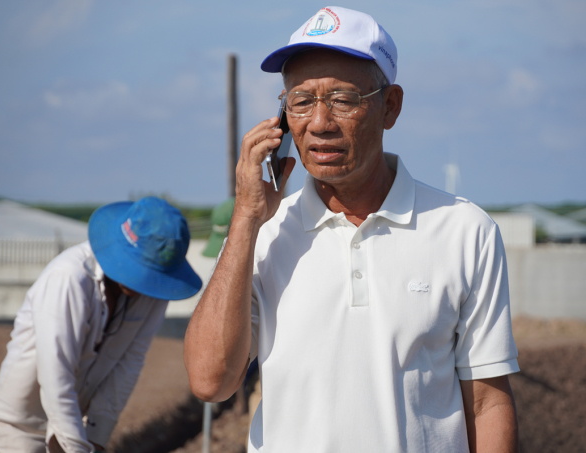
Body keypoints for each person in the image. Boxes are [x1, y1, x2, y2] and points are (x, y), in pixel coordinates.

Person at [184, 6, 519, 452]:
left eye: (342, 99)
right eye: (301, 101)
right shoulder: (262, 232)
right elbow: (211, 380)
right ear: (283, 118)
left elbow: (486, 405)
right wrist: (245, 220)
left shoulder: (464, 231)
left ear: (390, 106)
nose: (320, 123)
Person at [0, 197, 202, 453]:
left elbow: (130, 361)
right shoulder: (69, 278)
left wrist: (95, 437)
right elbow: (56, 373)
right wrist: (77, 448)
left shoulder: (155, 291)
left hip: (77, 429)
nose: (143, 283)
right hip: (16, 432)